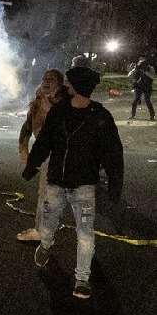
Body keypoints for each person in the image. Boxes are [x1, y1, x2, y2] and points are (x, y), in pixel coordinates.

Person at [23, 66, 123, 300]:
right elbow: (44, 142)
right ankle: (46, 246)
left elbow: (113, 154)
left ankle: (82, 278)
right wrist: (32, 167)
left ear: (78, 86)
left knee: (85, 233)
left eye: (68, 82)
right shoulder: (58, 112)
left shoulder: (100, 117)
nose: (64, 85)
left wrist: (115, 185)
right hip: (56, 183)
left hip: (84, 187)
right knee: (47, 227)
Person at [16, 70, 65, 241]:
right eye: (44, 79)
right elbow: (26, 129)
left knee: (48, 194)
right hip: (44, 154)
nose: (46, 82)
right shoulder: (37, 104)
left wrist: (50, 110)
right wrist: (24, 152)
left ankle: (41, 232)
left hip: (60, 154)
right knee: (46, 193)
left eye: (51, 79)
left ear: (59, 83)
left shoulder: (64, 103)